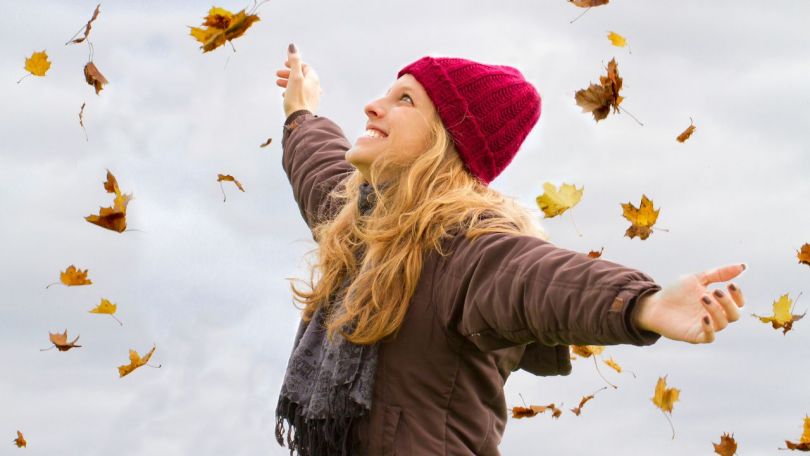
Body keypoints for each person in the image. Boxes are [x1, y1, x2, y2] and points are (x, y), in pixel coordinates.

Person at [273, 42, 747, 455]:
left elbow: (538, 280)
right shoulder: (361, 229)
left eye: (405, 100)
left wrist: (642, 303)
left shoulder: (464, 249)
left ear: (445, 143)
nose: (373, 106)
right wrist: (301, 110)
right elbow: (320, 168)